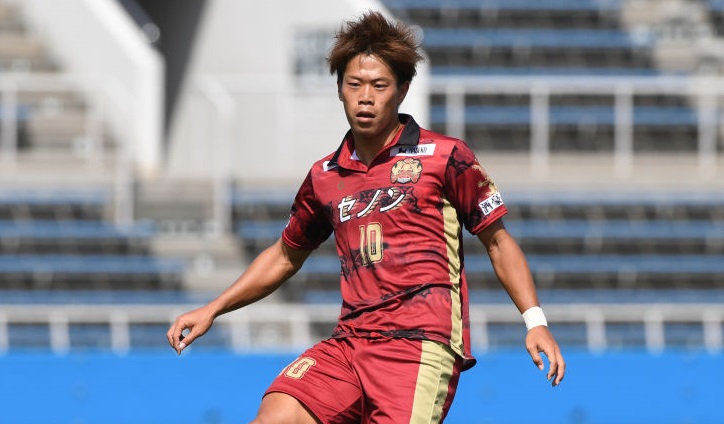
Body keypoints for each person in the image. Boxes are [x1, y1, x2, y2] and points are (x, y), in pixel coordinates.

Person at [167, 10, 565, 423]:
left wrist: (534, 321)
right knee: (274, 416)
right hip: (349, 343)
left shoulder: (445, 157)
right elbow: (285, 256)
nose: (366, 97)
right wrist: (213, 308)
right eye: (354, 84)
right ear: (339, 89)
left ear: (403, 90)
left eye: (379, 85)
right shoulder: (324, 175)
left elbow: (498, 242)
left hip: (419, 346)